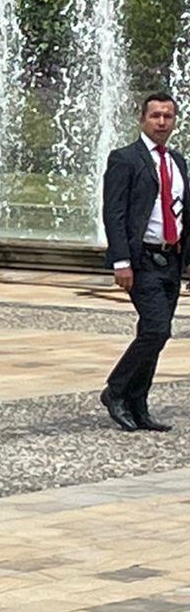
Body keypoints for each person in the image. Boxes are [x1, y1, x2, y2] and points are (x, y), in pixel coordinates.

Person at [102, 92, 186, 433]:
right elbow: (114, 213)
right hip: (142, 260)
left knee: (155, 334)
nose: (162, 122)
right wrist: (121, 261)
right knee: (156, 329)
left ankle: (138, 403)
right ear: (142, 119)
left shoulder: (177, 161)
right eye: (155, 116)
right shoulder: (125, 159)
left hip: (171, 258)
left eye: (168, 116)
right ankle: (116, 391)